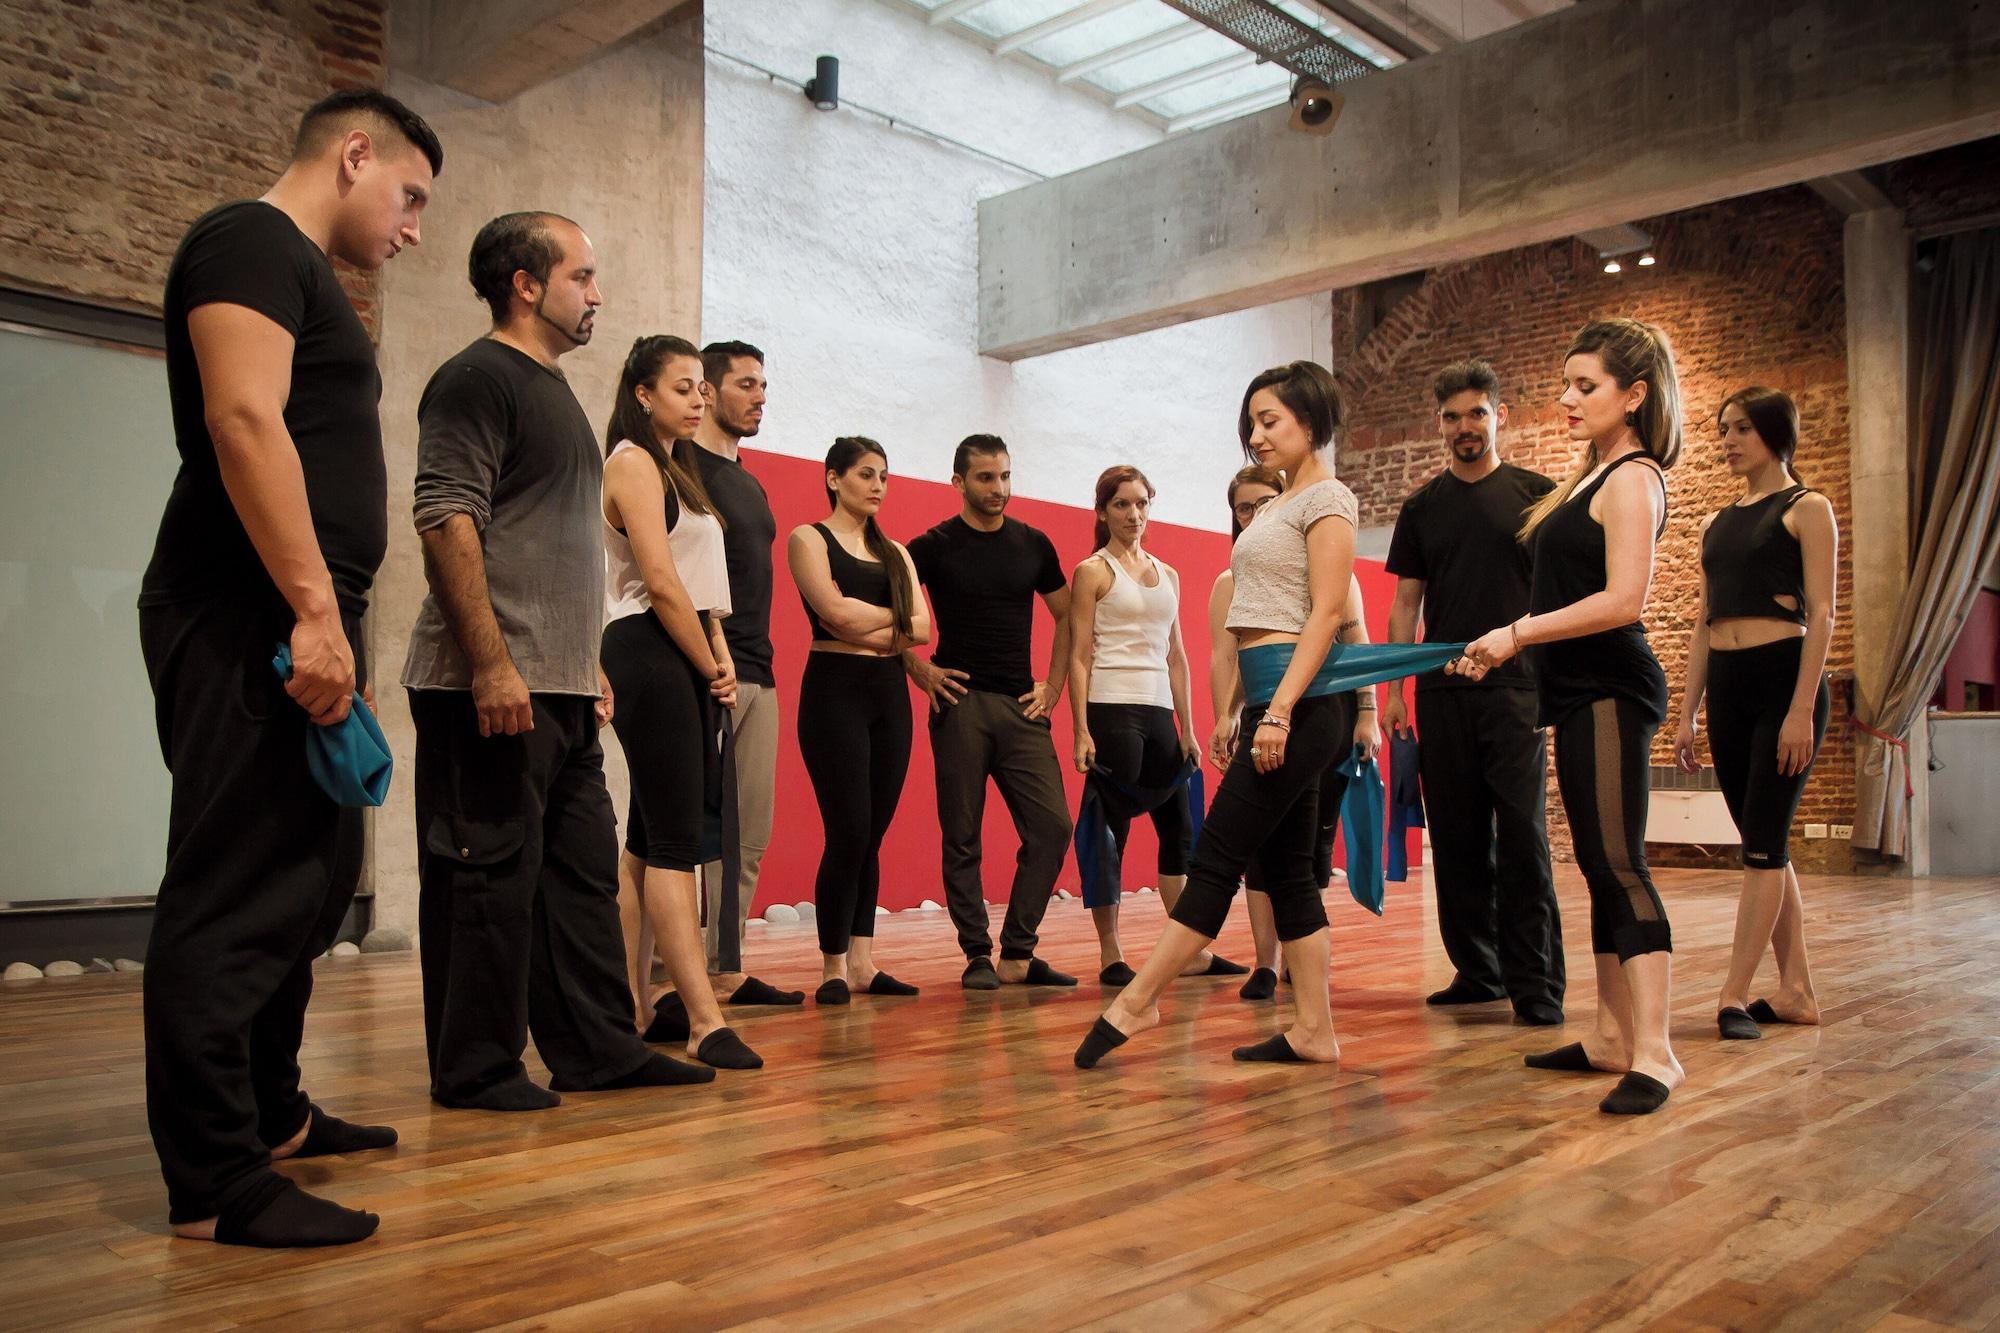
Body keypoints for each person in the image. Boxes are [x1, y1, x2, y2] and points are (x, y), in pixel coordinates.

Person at [137, 89, 439, 1248]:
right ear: (353, 154)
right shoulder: (247, 240)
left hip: (305, 610)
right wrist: (313, 608)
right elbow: (243, 422)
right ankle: (218, 1176)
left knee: (310, 877)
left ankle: (273, 1111)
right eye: (408, 195)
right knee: (238, 882)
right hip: (250, 609)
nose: (412, 225)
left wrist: (330, 612)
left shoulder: (299, 268)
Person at [405, 212, 714, 1114]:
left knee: (578, 873)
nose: (598, 295)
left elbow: (552, 549)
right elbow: (444, 514)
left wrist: (586, 663)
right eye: (582, 276)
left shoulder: (554, 393)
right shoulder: (475, 378)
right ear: (526, 284)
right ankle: (475, 1066)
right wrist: (492, 664)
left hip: (567, 684)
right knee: (484, 878)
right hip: (490, 683)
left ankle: (596, 1048)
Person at [1075, 361, 1361, 1070]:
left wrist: (1281, 712)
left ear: (1311, 418)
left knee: (1216, 854)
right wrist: (1240, 709)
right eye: (1252, 423)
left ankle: (1138, 997)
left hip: (1301, 704)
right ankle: (1314, 1030)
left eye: (1271, 421)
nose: (1256, 436)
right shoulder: (1279, 505)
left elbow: (1328, 611)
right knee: (1289, 870)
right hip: (1271, 700)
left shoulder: (1329, 499)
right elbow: (1252, 620)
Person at [1454, 317, 1685, 1116]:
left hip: (1611, 686)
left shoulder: (1633, 476)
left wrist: (1517, 632)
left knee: (1620, 864)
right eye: (1567, 384)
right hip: (1577, 691)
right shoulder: (1592, 475)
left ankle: (1655, 1052)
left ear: (1635, 395)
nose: (1568, 398)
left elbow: (1625, 599)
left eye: (1586, 386)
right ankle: (1611, 1036)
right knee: (1595, 864)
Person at [1382, 359, 1565, 1026]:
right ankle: (1478, 970)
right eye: (1453, 417)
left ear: (1500, 415)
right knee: (1456, 837)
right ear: (1441, 424)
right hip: (1440, 689)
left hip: (1516, 687)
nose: (1465, 427)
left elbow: (1557, 600)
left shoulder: (1538, 495)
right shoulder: (1421, 508)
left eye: (1476, 414)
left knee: (1522, 835)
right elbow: (1406, 605)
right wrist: (1396, 690)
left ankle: (1537, 981)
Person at [598, 335, 761, 1070]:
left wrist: (719, 656)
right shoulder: (631, 463)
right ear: (642, 395)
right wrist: (707, 666)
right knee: (674, 843)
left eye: (702, 388)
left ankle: (631, 1005)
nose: (699, 401)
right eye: (683, 389)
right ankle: (702, 1016)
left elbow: (705, 589)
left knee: (644, 841)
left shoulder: (679, 470)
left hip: (690, 651)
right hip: (649, 650)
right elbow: (661, 584)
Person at [1674, 387, 1835, 1040]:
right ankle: (1796, 989)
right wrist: (1686, 711)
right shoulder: (1716, 522)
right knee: (1763, 842)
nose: (1728, 440)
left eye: (1741, 428)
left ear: (1775, 432)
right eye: (1723, 430)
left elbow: (1823, 613)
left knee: (1763, 845)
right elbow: (1702, 622)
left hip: (1784, 683)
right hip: (1730, 689)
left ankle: (1733, 994)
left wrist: (1801, 709)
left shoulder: (1807, 508)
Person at [904, 436, 1079, 991]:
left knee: (1053, 827)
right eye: (985, 478)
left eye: (1005, 476)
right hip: (959, 704)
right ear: (958, 482)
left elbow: (1068, 617)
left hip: (1020, 706)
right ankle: (977, 952)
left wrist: (1053, 688)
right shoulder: (930, 547)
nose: (998, 488)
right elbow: (887, 617)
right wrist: (921, 671)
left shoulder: (1033, 543)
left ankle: (1019, 954)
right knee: (962, 834)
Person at [1208, 467, 1377, 1002]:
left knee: (1307, 852)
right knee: (1266, 851)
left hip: (1315, 716)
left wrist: (1368, 712)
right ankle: (1268, 963)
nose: (1254, 514)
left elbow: (1353, 636)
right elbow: (1230, 657)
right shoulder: (1229, 583)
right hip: (1265, 714)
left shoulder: (1329, 561)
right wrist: (1227, 715)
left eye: (1264, 503)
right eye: (1243, 508)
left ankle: (1300, 974)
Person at [788, 438, 930, 1003]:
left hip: (889, 692)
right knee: (847, 830)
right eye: (866, 474)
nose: (877, 486)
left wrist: (872, 623)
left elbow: (921, 630)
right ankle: (832, 967)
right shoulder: (809, 538)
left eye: (884, 477)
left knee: (871, 834)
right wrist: (890, 621)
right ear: (833, 478)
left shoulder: (896, 551)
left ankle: (865, 964)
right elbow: (834, 613)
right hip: (834, 691)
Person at [690, 340, 801, 1005]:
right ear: (707, 390)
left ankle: (726, 966)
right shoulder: (683, 470)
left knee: (749, 832)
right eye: (747, 384)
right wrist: (711, 656)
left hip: (761, 669)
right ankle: (663, 971)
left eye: (764, 384)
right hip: (712, 669)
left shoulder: (749, 480)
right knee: (694, 832)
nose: (761, 395)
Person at [1067, 466, 1203, 987]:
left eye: (1142, 503)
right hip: (1111, 709)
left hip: (1159, 713)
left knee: (1179, 833)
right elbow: (1079, 656)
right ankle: (1110, 952)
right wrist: (1080, 729)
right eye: (1122, 505)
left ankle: (1185, 950)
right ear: (1103, 511)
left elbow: (1178, 657)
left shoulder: (1169, 575)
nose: (1134, 515)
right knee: (1110, 833)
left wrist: (1187, 727)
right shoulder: (1093, 571)